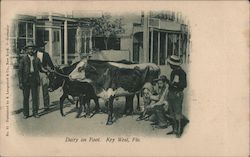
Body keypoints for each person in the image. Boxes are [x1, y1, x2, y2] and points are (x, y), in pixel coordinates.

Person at [166, 55, 189, 137]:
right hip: (172, 93)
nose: (170, 65)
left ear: (174, 64)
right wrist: (168, 81)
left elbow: (184, 85)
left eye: (170, 64)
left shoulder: (182, 73)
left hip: (177, 94)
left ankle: (179, 131)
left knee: (177, 113)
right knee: (172, 112)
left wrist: (175, 85)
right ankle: (175, 129)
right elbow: (172, 84)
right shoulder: (173, 72)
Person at [18, 42, 41, 118]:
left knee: (35, 97)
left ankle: (35, 112)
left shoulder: (37, 59)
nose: (30, 50)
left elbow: (41, 69)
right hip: (26, 80)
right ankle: (26, 114)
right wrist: (20, 82)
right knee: (26, 97)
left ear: (34, 50)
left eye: (32, 48)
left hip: (34, 79)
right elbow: (20, 71)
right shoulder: (23, 59)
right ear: (26, 50)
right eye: (29, 48)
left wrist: (48, 70)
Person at [36, 42, 54, 111]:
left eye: (43, 46)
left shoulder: (46, 55)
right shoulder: (34, 54)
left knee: (45, 90)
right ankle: (36, 106)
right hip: (36, 74)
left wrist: (50, 70)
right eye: (41, 46)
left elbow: (51, 64)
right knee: (36, 91)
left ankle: (46, 106)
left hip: (44, 74)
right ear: (38, 47)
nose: (43, 48)